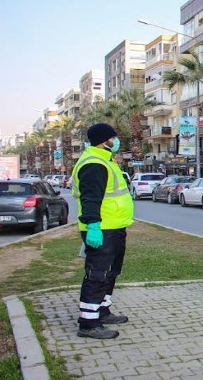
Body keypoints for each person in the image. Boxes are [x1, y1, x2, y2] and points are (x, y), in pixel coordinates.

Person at [71, 123, 134, 339]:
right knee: (98, 274)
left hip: (114, 227)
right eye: (113, 138)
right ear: (103, 140)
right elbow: (90, 198)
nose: (116, 141)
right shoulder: (93, 164)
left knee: (111, 272)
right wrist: (93, 226)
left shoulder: (106, 160)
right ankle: (88, 323)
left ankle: (102, 310)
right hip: (101, 229)